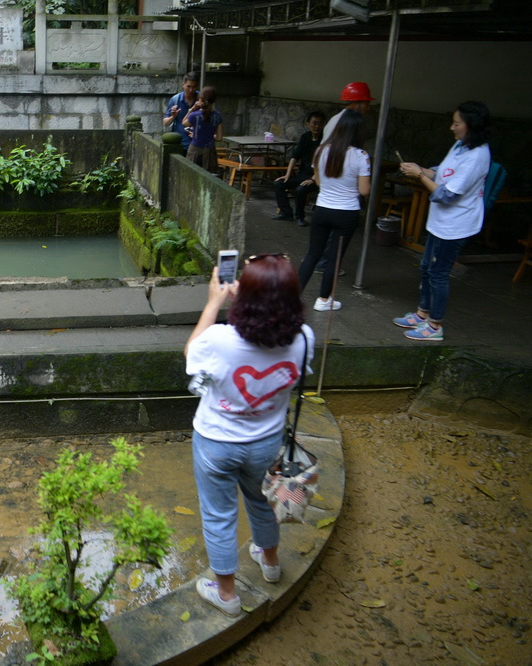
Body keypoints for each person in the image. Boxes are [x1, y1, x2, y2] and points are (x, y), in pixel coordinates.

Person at [184, 254, 315, 617]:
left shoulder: (220, 339)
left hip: (216, 442)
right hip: (266, 443)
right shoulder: (303, 338)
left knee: (218, 514)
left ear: (247, 297)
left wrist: (215, 301)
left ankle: (227, 594)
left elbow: (191, 355)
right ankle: (270, 563)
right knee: (262, 502)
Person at [393, 101, 492, 342]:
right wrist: (421, 169)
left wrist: (419, 176)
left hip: (456, 224)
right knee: (427, 267)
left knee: (438, 272)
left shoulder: (478, 155)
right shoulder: (461, 145)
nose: (452, 127)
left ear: (472, 126)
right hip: (441, 221)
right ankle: (422, 313)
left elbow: (446, 194)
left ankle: (435, 325)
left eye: (457, 123)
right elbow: (442, 172)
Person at [297, 110, 370, 312]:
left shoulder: (321, 150)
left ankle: (294, 298)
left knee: (312, 254)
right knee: (334, 257)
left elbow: (318, 181)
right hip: (346, 213)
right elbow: (364, 190)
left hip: (322, 209)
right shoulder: (361, 156)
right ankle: (323, 299)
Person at [272, 110, 325, 226]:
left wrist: (313, 179)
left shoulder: (325, 140)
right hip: (302, 174)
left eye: (320, 123)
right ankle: (286, 213)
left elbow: (324, 163)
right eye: (314, 123)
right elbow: (294, 157)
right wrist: (287, 174)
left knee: (301, 189)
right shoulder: (305, 137)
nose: (317, 126)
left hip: (318, 178)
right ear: (308, 124)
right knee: (278, 183)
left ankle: (299, 217)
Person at [183, 86, 223, 173]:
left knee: (191, 175)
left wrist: (191, 110)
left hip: (195, 150)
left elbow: (184, 123)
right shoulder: (217, 116)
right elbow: (219, 138)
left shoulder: (195, 115)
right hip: (210, 152)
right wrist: (208, 136)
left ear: (200, 99)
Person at [163, 72, 199, 154]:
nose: (191, 90)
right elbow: (165, 123)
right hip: (180, 143)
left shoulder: (201, 99)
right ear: (183, 84)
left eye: (194, 87)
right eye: (188, 86)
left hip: (197, 144)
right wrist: (173, 117)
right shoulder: (175, 100)